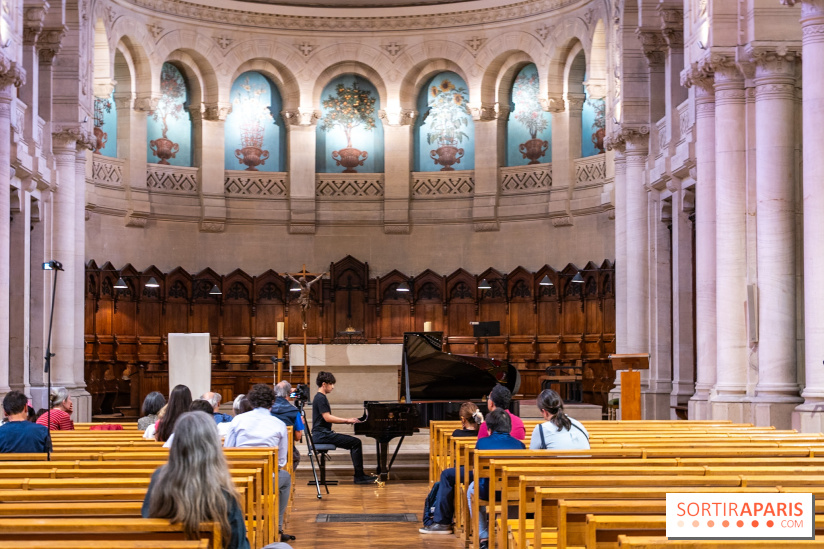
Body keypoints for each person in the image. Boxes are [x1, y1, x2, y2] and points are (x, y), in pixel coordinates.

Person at [142, 411, 250, 549]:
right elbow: (239, 545)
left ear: (177, 442)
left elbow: (147, 519)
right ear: (213, 445)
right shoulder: (223, 493)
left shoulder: (159, 478)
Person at [224, 384, 294, 543]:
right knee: (285, 478)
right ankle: (278, 526)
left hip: (237, 479)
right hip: (266, 480)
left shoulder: (238, 420)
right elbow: (281, 461)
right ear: (272, 402)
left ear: (252, 401)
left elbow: (228, 450)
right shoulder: (278, 424)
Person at [420, 402, 484, 535]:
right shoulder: (483, 433)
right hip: (485, 471)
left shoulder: (457, 434)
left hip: (468, 472)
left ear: (463, 420)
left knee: (446, 475)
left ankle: (442, 522)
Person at [466, 409, 525, 549]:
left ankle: (483, 535)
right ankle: (509, 528)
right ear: (509, 428)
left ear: (489, 428)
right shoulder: (520, 445)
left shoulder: (482, 443)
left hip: (488, 491)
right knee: (516, 493)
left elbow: (476, 472)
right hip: (511, 491)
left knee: (471, 490)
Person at [311, 371, 376, 485]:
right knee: (355, 443)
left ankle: (359, 475)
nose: (333, 387)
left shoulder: (319, 397)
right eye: (331, 384)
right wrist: (347, 420)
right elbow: (327, 418)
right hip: (322, 435)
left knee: (354, 442)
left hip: (322, 434)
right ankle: (359, 476)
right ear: (324, 384)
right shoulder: (320, 398)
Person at [270, 381, 304, 468]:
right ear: (289, 393)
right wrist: (301, 422)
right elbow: (297, 437)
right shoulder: (294, 411)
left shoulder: (268, 409)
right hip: (287, 452)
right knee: (295, 456)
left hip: (269, 448)